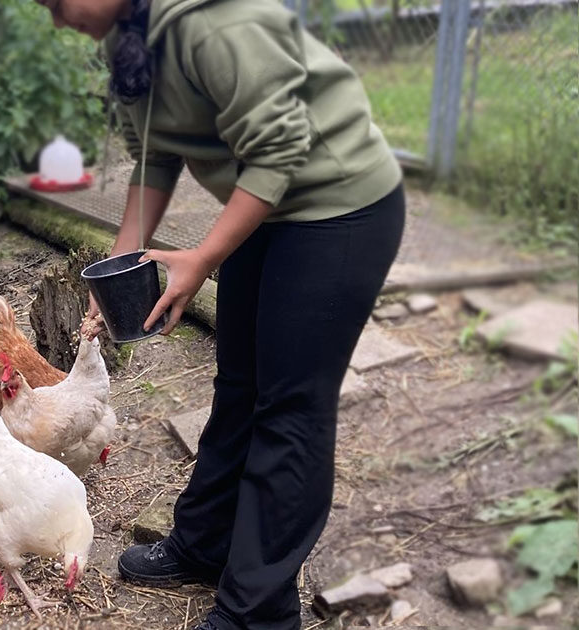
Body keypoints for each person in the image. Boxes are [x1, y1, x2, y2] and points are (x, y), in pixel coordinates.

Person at [34, 0, 406, 628]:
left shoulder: (219, 23)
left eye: (57, 2)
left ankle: (256, 611)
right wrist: (118, 265)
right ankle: (206, 545)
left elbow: (282, 147)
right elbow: (154, 156)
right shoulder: (130, 37)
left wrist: (203, 256)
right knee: (238, 385)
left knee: (289, 407)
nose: (57, 19)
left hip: (339, 210)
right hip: (267, 208)